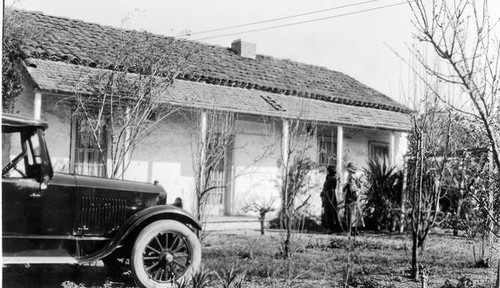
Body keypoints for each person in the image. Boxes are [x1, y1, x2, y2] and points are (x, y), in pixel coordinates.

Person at [343, 162, 364, 235]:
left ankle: (350, 230)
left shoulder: (351, 177)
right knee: (354, 213)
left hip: (352, 197)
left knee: (350, 214)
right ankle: (354, 230)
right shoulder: (354, 177)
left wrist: (346, 188)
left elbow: (352, 188)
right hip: (354, 196)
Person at [321, 166, 338, 233]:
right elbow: (325, 187)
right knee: (326, 212)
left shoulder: (333, 179)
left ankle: (332, 228)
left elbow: (332, 189)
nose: (326, 171)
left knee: (331, 212)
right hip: (326, 197)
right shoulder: (328, 178)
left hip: (330, 198)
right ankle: (327, 227)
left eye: (327, 170)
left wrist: (329, 196)